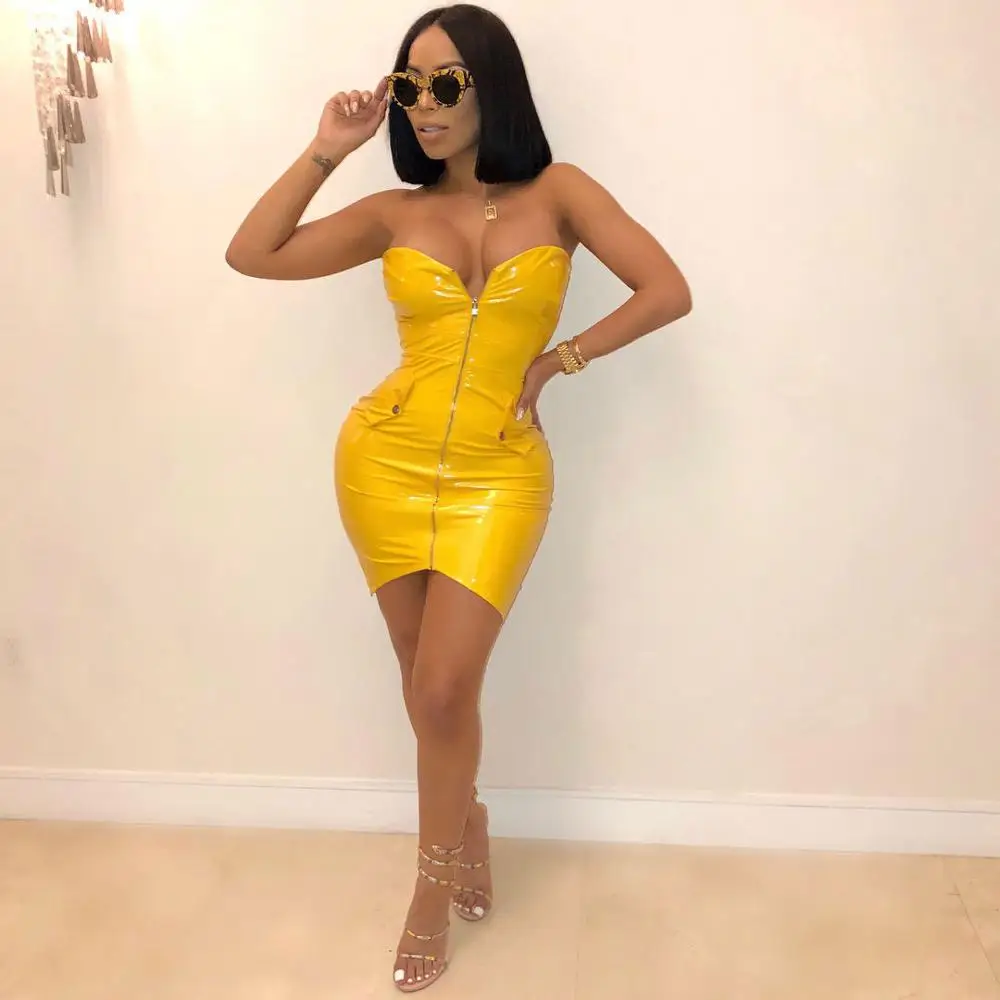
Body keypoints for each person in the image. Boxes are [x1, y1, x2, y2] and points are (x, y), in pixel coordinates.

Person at [226, 3, 691, 991]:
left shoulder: (560, 192)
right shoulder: (395, 213)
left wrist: (560, 360)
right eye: (408, 85)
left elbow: (665, 289)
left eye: (444, 83)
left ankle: (430, 885)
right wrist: (327, 148)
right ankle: (465, 819)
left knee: (443, 689)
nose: (423, 104)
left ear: (492, 87)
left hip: (500, 469)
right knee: (421, 681)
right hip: (382, 459)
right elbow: (251, 253)